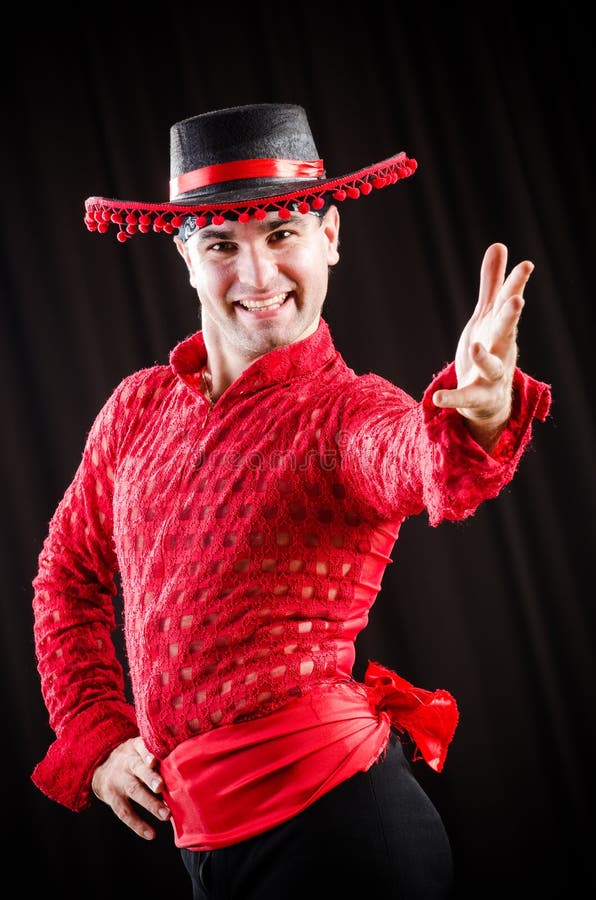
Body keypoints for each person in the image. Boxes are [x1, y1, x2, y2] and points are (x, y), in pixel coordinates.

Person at [31, 103, 551, 899]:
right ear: (185, 257)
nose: (258, 276)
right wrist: (97, 736)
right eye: (221, 245)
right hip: (213, 857)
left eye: (281, 234)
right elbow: (66, 575)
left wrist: (478, 414)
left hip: (344, 840)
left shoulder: (349, 414)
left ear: (329, 237)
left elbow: (415, 458)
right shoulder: (137, 407)